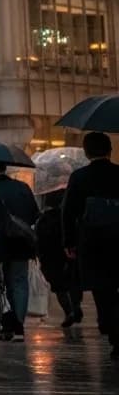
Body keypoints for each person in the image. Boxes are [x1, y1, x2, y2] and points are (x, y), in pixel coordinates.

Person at [61, 132, 119, 363]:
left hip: (92, 242)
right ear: (110, 150)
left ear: (86, 152)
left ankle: (109, 325)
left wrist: (69, 242)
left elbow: (69, 211)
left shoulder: (80, 177)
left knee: (101, 288)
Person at [0, 161, 41, 341]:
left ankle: (5, 324)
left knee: (0, 284)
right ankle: (19, 325)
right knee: (20, 282)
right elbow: (34, 214)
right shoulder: (22, 187)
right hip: (21, 243)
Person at [36, 191, 83, 338]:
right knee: (73, 281)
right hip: (69, 253)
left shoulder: (44, 219)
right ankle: (75, 306)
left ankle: (69, 310)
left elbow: (39, 240)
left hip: (51, 258)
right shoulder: (70, 217)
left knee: (59, 287)